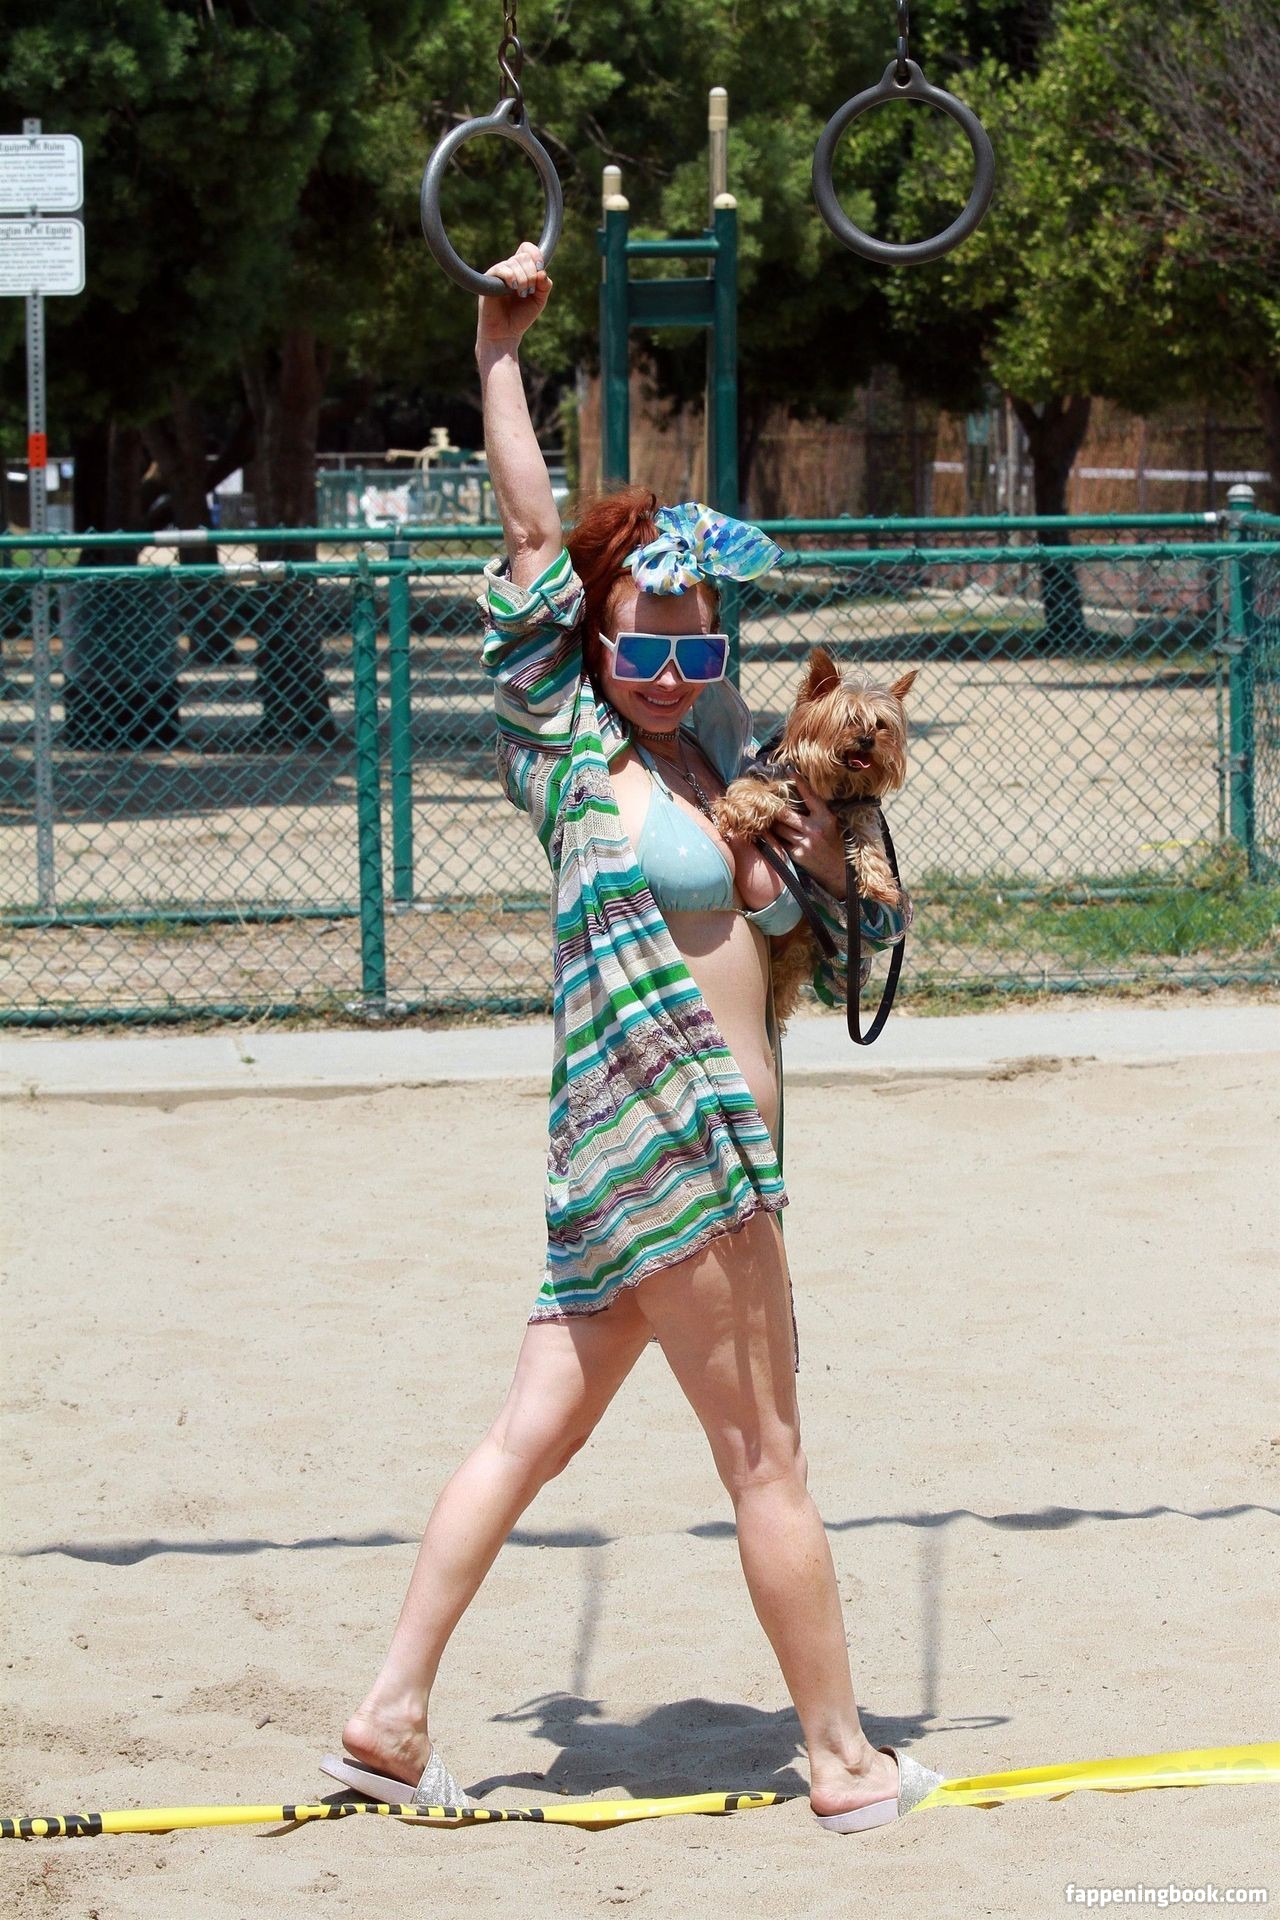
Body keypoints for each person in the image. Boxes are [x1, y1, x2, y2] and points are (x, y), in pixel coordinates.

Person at [322, 241, 939, 1832]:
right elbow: (536, 534)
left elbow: (820, 930)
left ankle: (389, 1714)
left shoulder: (715, 764)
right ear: (589, 648)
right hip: (679, 1155)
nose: (666, 672)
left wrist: (827, 867)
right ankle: (842, 1762)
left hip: (627, 1169)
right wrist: (499, 353)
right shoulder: (570, 751)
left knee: (530, 1434)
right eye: (639, 645)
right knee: (769, 1461)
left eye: (693, 647)